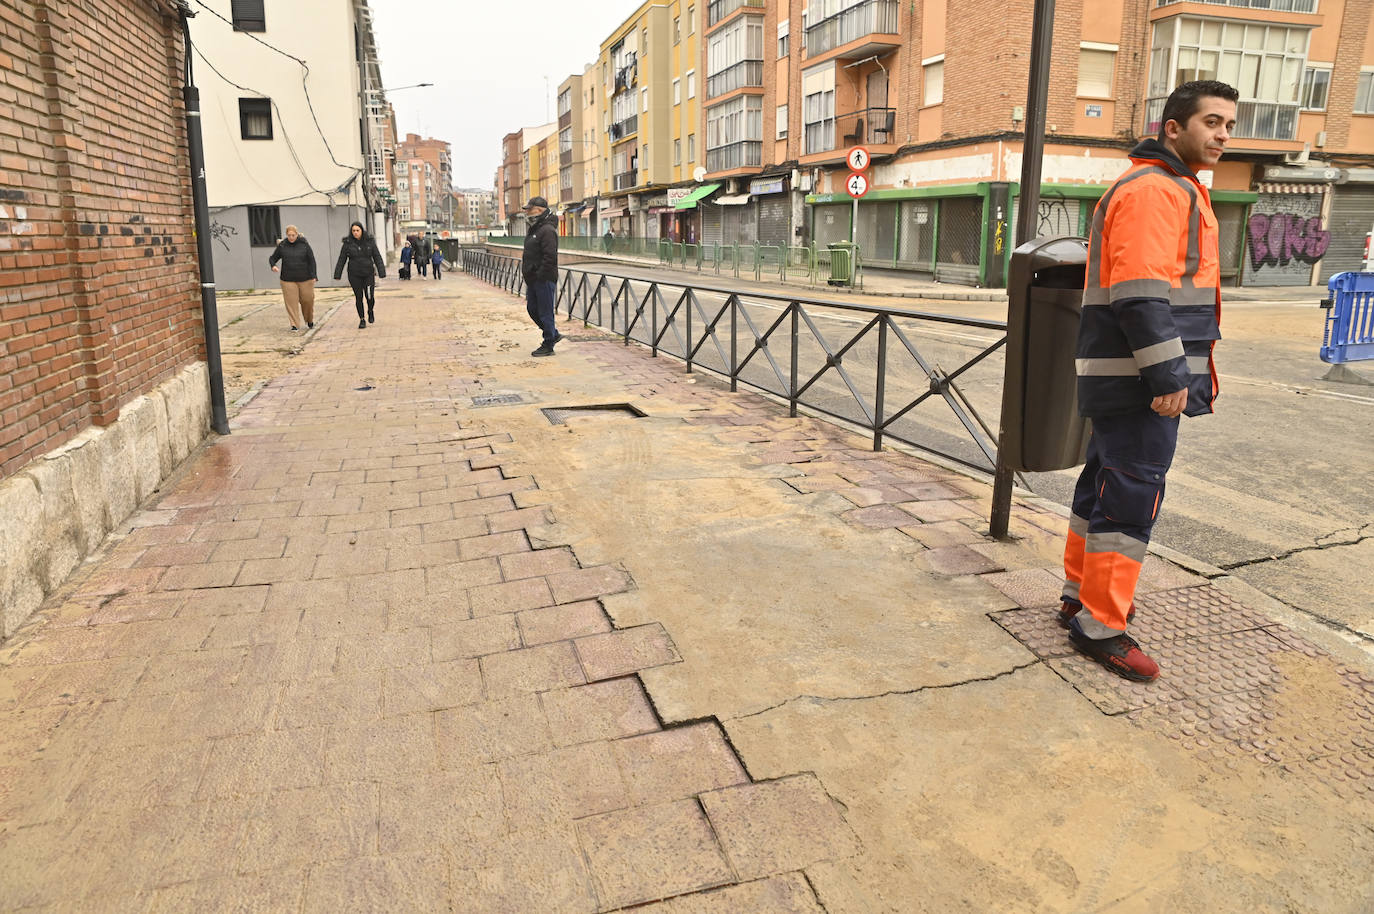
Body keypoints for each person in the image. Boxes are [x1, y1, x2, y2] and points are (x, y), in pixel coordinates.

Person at [1058, 80, 1238, 683]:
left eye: (1228, 125)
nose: (1222, 135)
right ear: (1172, 127)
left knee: (1104, 485)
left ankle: (1079, 597)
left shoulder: (1166, 186)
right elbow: (1141, 293)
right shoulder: (1157, 190)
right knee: (1133, 494)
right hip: (1141, 377)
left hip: (1124, 372)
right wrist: (1167, 374)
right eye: (1211, 122)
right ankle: (1101, 625)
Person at [521, 196, 562, 357]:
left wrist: (540, 275)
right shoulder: (536, 227)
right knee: (532, 309)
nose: (527, 212)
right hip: (533, 279)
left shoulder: (547, 230)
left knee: (545, 312)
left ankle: (548, 344)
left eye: (529, 209)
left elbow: (550, 257)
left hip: (543, 279)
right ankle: (553, 333)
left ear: (539, 210)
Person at [333, 221, 386, 329]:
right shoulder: (348, 243)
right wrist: (337, 274)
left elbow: (377, 256)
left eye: (357, 230)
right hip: (354, 274)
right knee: (359, 297)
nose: (355, 233)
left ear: (362, 230)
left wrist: (381, 271)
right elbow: (342, 259)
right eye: (353, 231)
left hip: (368, 273)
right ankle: (362, 319)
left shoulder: (369, 242)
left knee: (369, 296)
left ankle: (370, 310)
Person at [268, 225, 317, 331]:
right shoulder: (282, 245)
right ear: (286, 235)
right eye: (289, 235)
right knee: (291, 302)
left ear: (297, 234)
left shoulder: (304, 244)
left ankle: (309, 319)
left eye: (293, 235)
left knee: (307, 300)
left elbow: (311, 260)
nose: (291, 237)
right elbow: (273, 258)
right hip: (288, 279)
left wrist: (314, 275)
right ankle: (294, 324)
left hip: (305, 278)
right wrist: (273, 266)